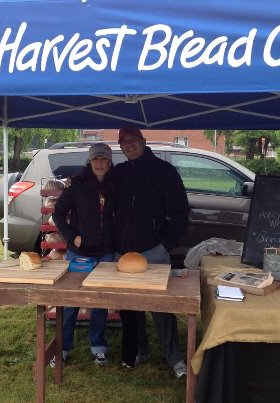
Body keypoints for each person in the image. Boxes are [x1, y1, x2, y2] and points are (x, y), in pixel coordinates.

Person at [114, 126, 189, 378]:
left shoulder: (164, 172)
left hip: (155, 251)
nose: (129, 144)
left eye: (133, 140)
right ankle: (139, 350)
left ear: (143, 141)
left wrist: (165, 245)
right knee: (130, 307)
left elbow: (180, 213)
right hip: (123, 255)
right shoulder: (119, 172)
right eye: (124, 141)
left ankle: (174, 357)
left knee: (162, 308)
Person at [52, 143, 115, 366]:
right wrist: (72, 237)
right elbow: (58, 214)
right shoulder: (76, 184)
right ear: (89, 161)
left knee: (99, 302)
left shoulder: (116, 184)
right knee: (70, 302)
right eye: (96, 159)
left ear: (110, 162)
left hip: (106, 253)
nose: (100, 163)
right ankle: (63, 347)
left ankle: (98, 346)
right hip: (79, 254)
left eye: (104, 159)